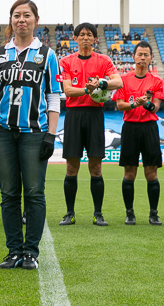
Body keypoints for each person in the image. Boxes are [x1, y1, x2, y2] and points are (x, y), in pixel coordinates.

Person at [0, 0, 61, 270]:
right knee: (8, 194)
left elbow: (53, 97)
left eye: (26, 15)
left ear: (36, 20)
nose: (21, 20)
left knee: (34, 193)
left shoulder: (47, 55)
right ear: (11, 21)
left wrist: (50, 135)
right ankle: (13, 250)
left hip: (34, 133)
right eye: (16, 15)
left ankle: (31, 252)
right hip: (3, 133)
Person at [59, 22, 122, 226]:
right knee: (71, 167)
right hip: (74, 115)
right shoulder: (66, 61)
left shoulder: (103, 60)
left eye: (89, 35)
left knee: (96, 167)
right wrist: (87, 89)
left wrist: (101, 83)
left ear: (95, 39)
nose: (85, 38)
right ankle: (69, 213)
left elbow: (118, 82)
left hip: (95, 114)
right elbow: (67, 90)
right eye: (82, 34)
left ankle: (98, 213)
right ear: (75, 38)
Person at [113, 41, 164, 225]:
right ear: (134, 57)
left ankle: (153, 213)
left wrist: (147, 104)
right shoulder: (123, 80)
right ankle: (130, 213)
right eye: (139, 54)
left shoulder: (157, 81)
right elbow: (120, 105)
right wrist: (135, 104)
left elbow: (156, 107)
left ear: (151, 58)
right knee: (129, 173)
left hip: (149, 127)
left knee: (151, 173)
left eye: (146, 55)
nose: (142, 58)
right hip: (130, 128)